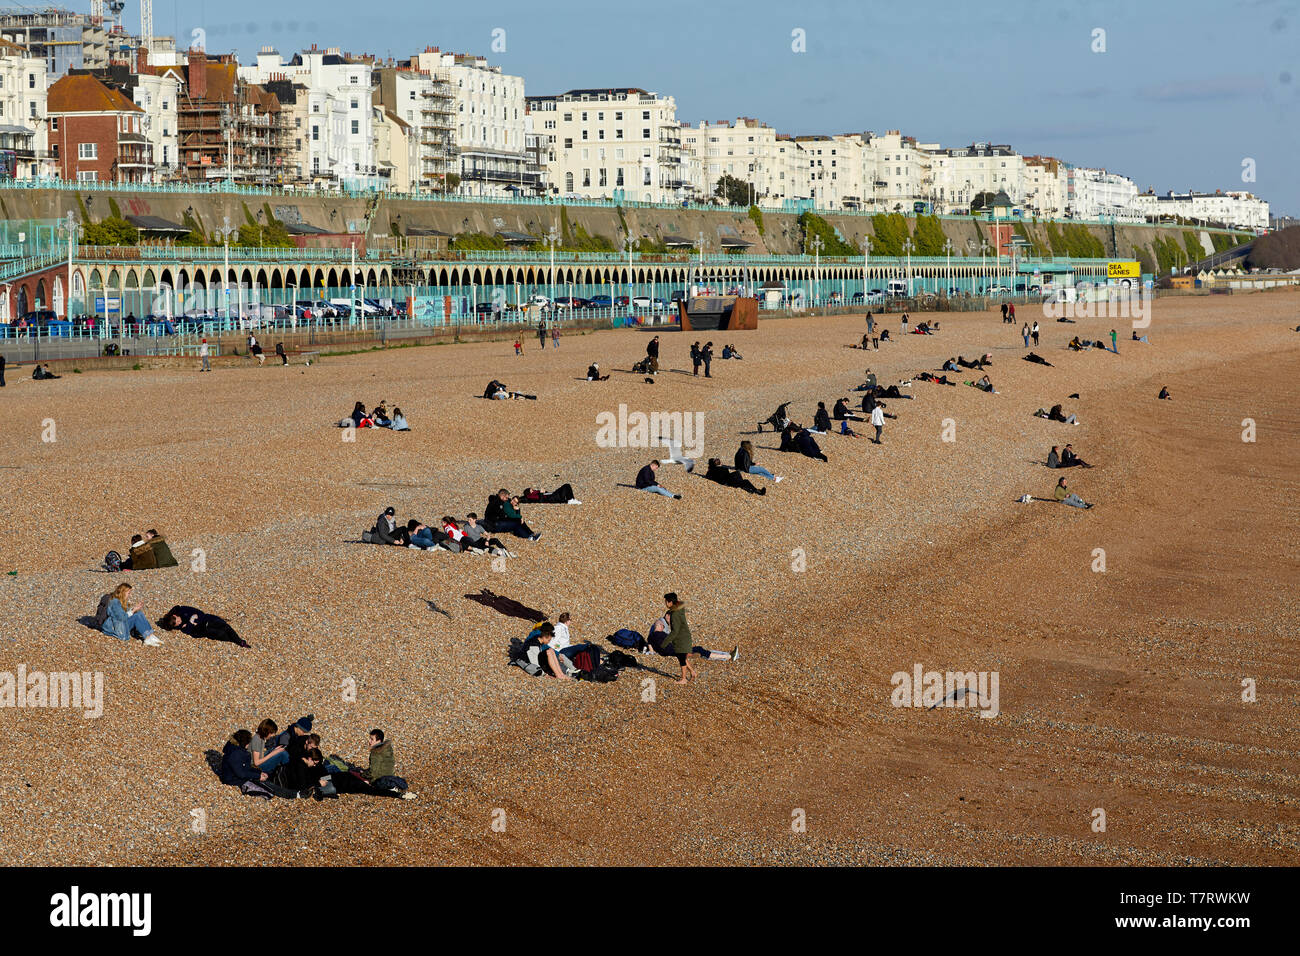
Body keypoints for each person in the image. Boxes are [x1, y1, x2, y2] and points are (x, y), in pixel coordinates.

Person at [657, 592, 737, 684]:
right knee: (681, 657)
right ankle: (693, 672)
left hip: (681, 640)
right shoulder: (679, 610)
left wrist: (664, 643)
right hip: (684, 638)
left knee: (690, 656)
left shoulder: (675, 614)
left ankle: (684, 679)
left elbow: (675, 631)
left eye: (666, 602)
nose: (665, 604)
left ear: (669, 602)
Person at [94, 582, 162, 646]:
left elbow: (124, 614)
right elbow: (122, 618)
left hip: (118, 625)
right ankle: (147, 638)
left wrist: (134, 609)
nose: (130, 595)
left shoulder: (121, 601)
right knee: (136, 616)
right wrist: (133, 611)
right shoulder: (114, 602)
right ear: (123, 592)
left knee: (139, 613)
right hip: (115, 629)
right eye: (128, 593)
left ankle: (150, 635)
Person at [156, 605, 248, 646]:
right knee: (222, 635)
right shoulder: (179, 626)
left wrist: (191, 623)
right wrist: (192, 621)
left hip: (207, 619)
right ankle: (236, 640)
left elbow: (199, 613)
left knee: (225, 626)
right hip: (204, 630)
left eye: (178, 621)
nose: (179, 623)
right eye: (177, 624)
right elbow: (188, 631)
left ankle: (240, 642)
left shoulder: (183, 610)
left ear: (175, 615)